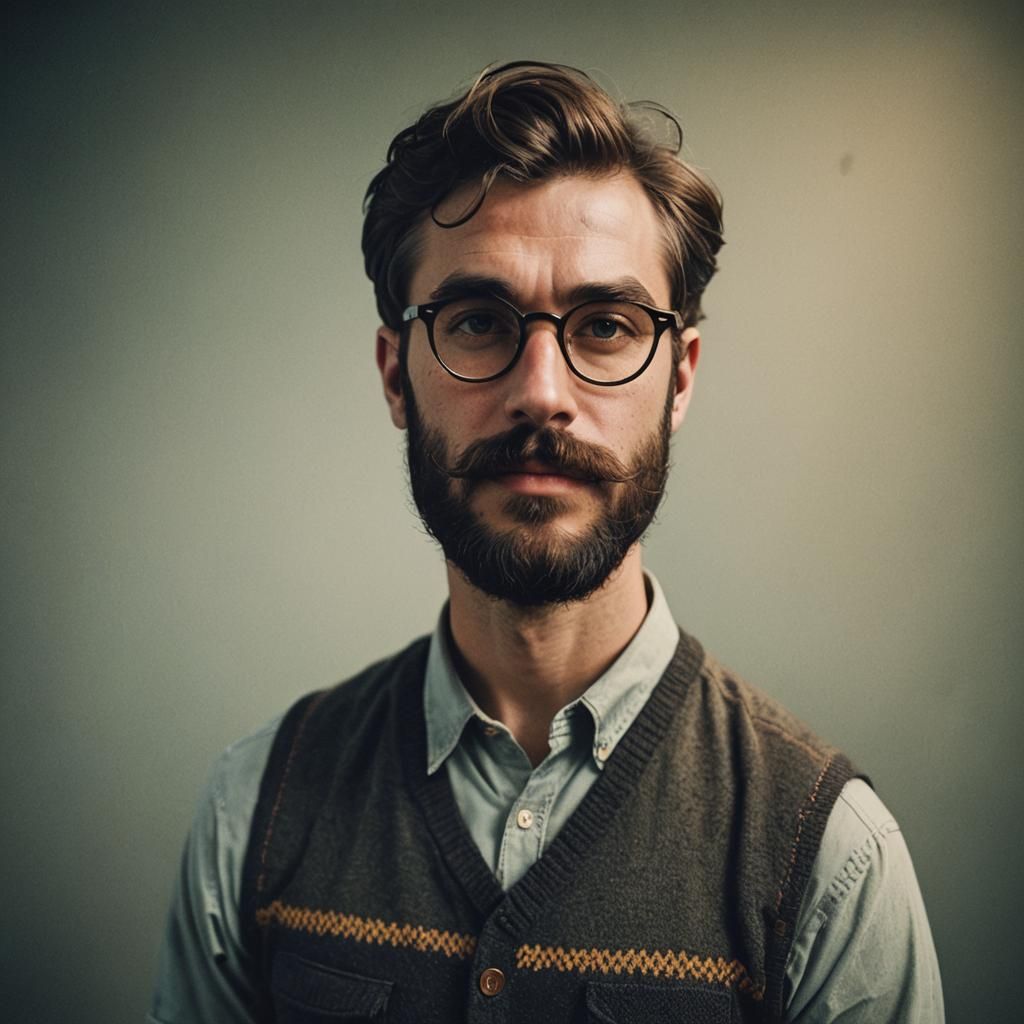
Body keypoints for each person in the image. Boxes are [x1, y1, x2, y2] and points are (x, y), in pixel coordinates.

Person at [149, 61, 943, 1023]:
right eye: (479, 321)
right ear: (397, 376)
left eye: (605, 326)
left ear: (679, 379)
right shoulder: (254, 814)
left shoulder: (828, 857)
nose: (541, 391)